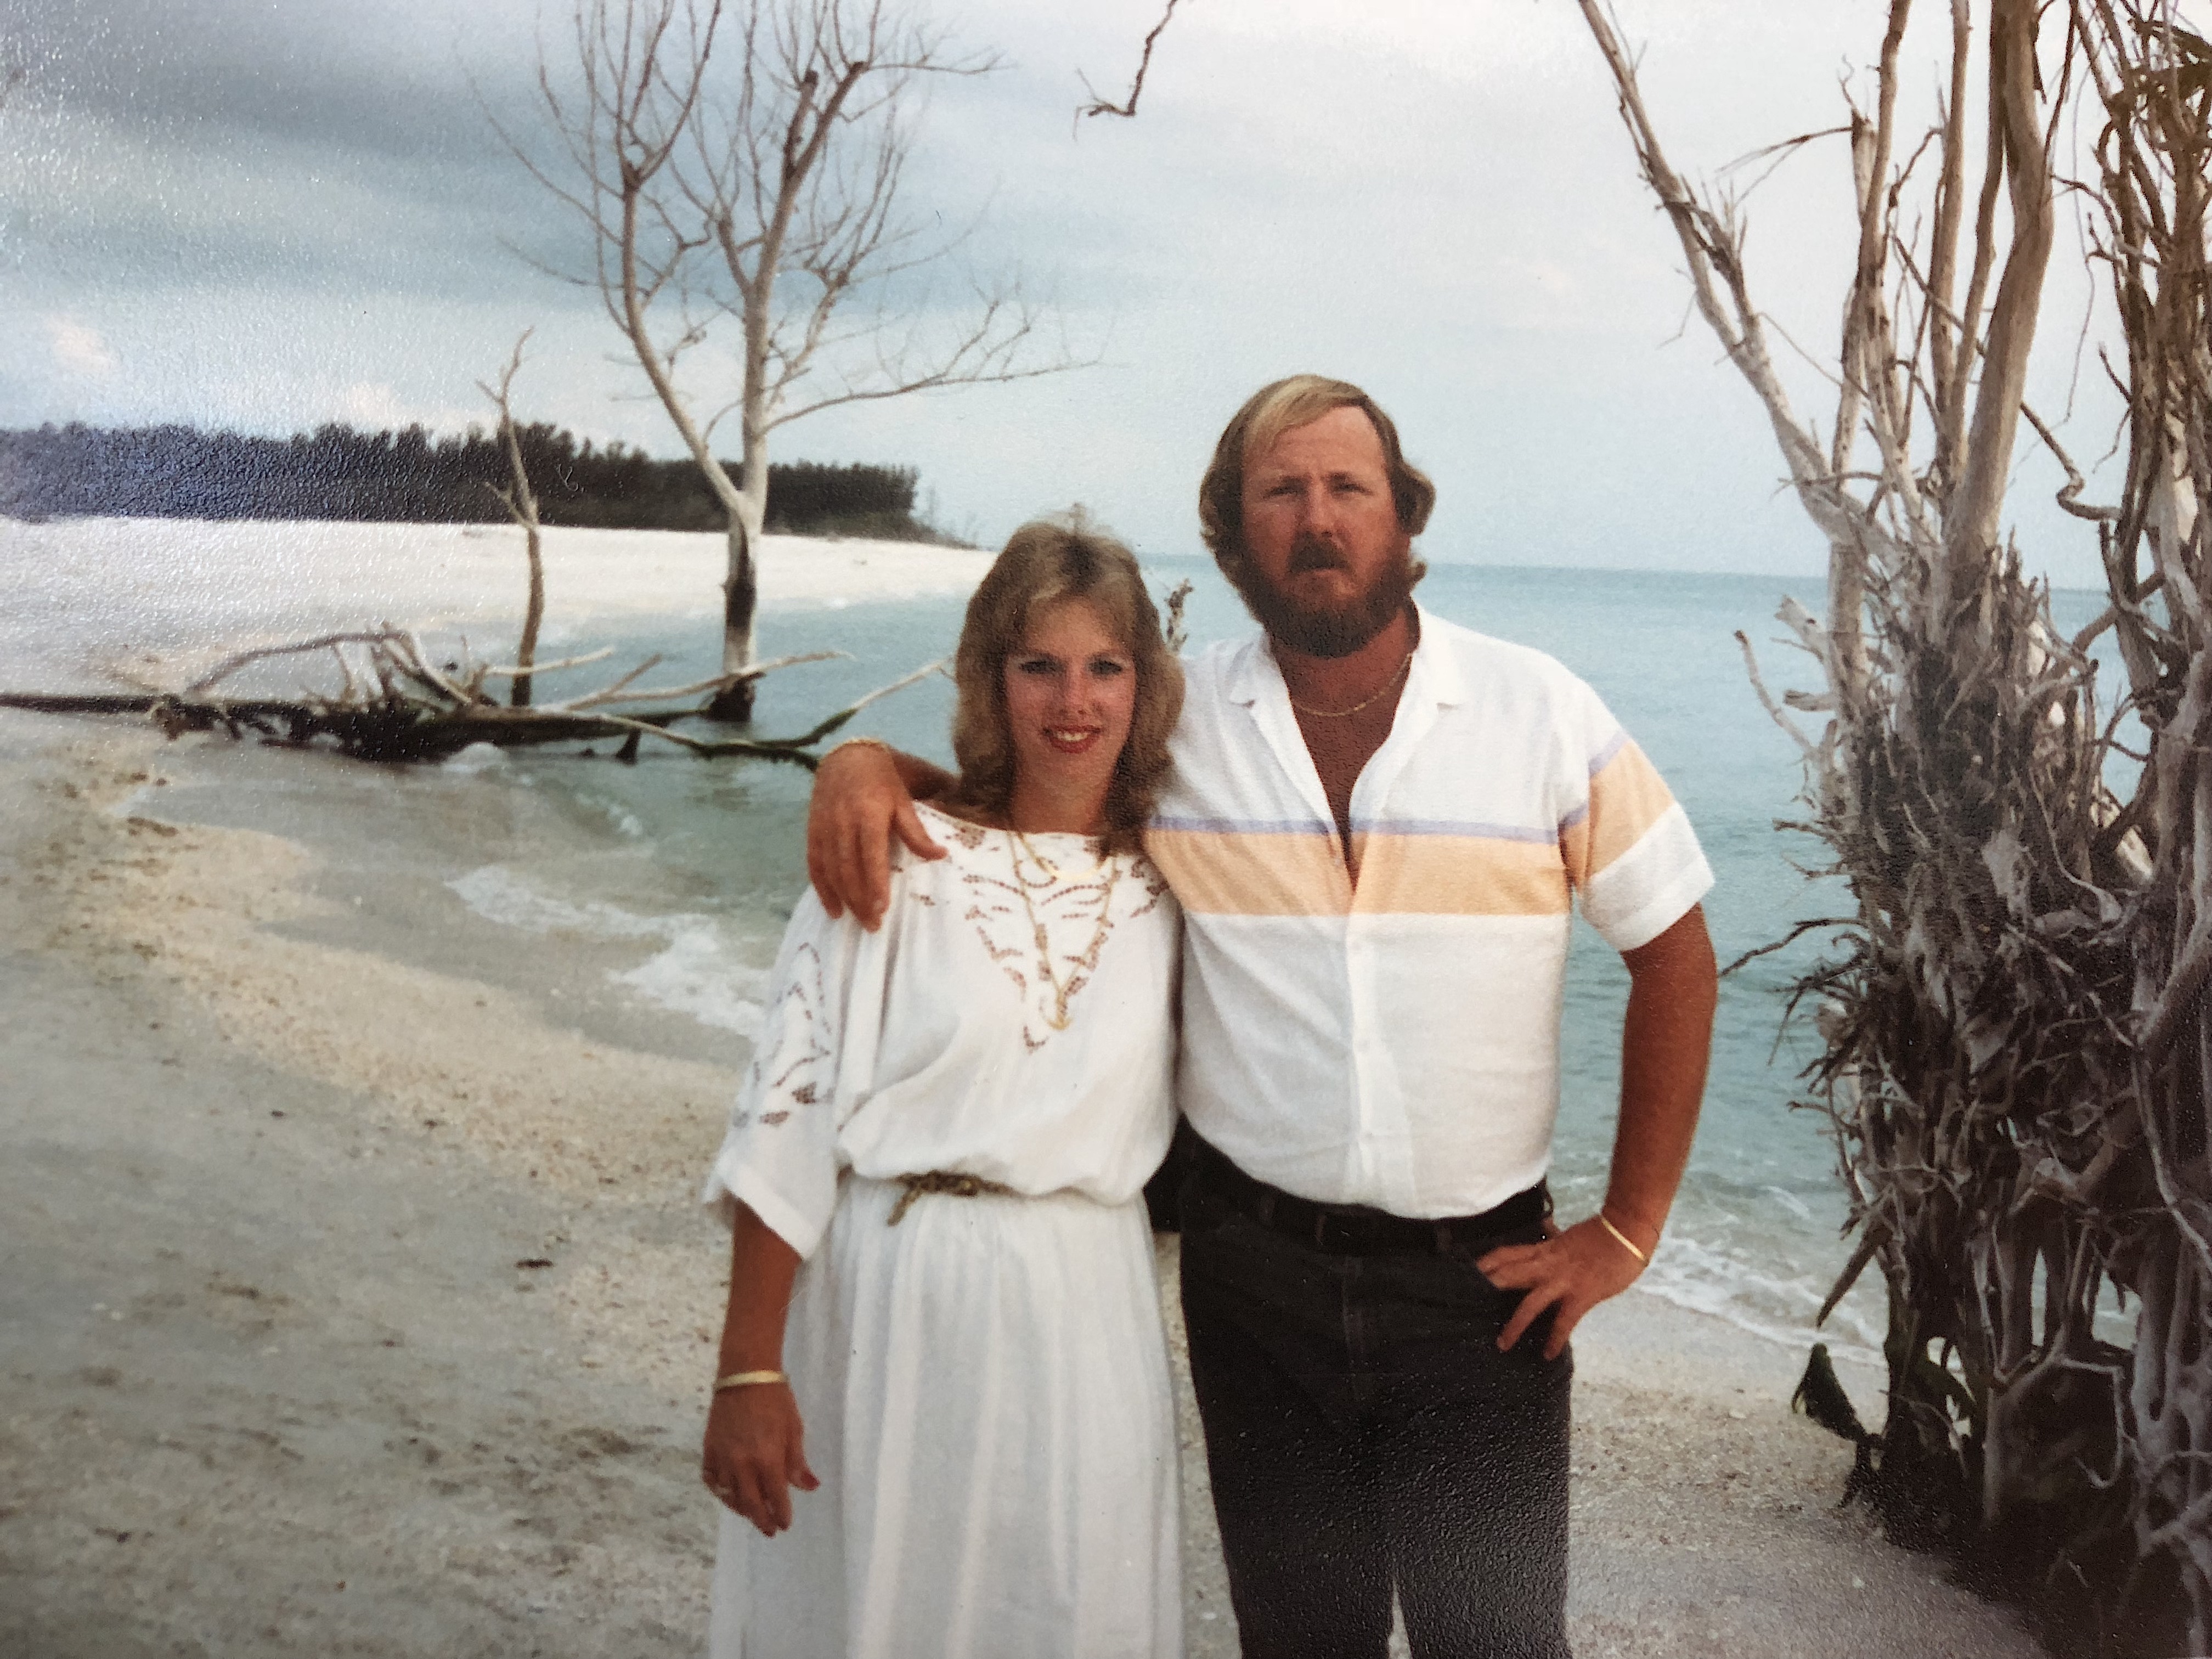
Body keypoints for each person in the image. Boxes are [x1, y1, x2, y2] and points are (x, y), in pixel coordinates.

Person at [806, 375, 1720, 1659]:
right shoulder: (1182, 730)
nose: (1318, 519)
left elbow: (1675, 953)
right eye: (1279, 492)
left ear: (1404, 517)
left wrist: (1627, 1230)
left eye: (1350, 488)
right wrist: (864, 766)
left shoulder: (1540, 714)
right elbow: (1027, 798)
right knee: (1300, 1642)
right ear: (1233, 540)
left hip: (1484, 1296)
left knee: (1499, 1643)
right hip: (1256, 1290)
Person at [698, 517, 1189, 1659]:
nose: (1074, 701)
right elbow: (788, 1113)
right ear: (988, 678)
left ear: (1145, 686)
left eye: (1105, 667)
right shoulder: (892, 858)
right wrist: (748, 1367)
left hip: (1088, 1309)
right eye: (1040, 666)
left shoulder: (1182, 876)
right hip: (889, 1300)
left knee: (1069, 1612)